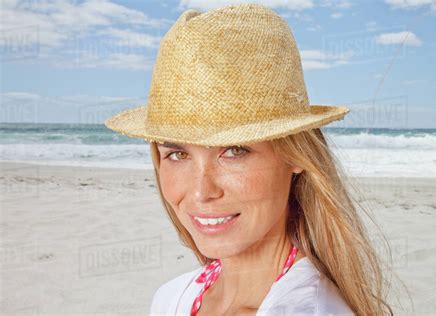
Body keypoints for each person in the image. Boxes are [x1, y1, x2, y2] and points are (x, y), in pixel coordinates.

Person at [105, 3, 394, 315]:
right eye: (177, 154)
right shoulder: (171, 298)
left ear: (295, 155)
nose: (202, 191)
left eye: (234, 151)